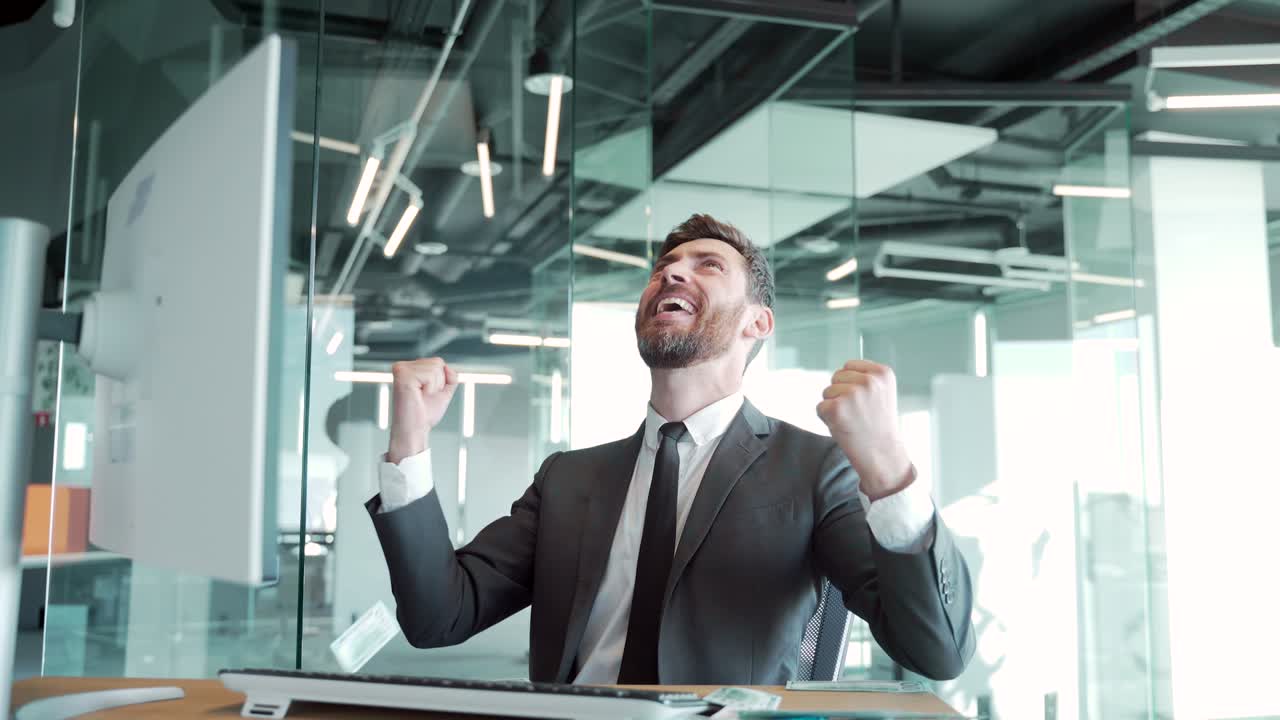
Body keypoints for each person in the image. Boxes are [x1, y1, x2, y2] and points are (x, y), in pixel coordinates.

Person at [366, 214, 975, 685]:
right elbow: (438, 616)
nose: (672, 273)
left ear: (757, 324)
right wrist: (410, 445)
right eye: (664, 266)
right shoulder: (569, 478)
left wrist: (890, 469)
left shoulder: (816, 469)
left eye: (707, 265)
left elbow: (937, 650)